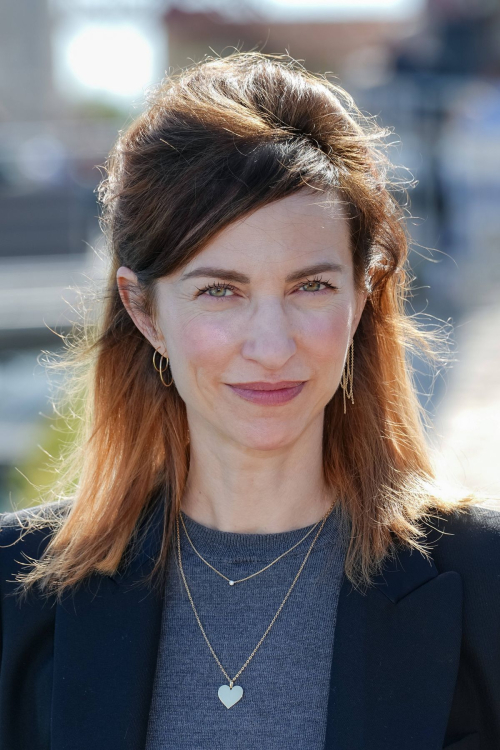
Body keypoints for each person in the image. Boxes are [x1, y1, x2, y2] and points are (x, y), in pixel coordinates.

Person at [0, 52, 498, 750]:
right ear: (143, 310)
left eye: (311, 287)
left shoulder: (485, 581)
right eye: (220, 291)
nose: (271, 345)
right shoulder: (15, 595)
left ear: (363, 295)